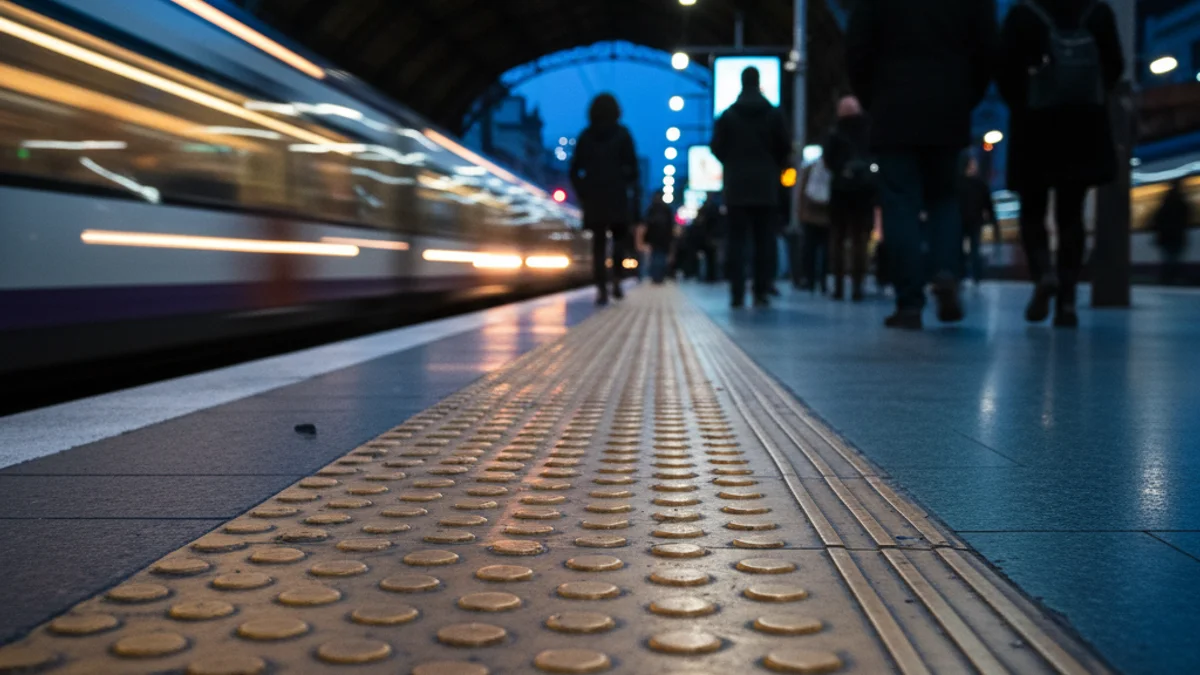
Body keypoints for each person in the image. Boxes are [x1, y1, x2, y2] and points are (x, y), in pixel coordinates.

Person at [847, 0, 996, 329]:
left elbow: (856, 51)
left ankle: (909, 302)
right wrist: (963, 99)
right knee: (944, 199)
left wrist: (875, 100)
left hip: (894, 110)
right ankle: (945, 271)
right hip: (947, 109)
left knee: (900, 205)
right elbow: (987, 50)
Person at [997, 0, 1124, 327]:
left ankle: (1043, 273)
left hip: (1034, 126)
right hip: (1083, 127)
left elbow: (1004, 72)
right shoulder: (1096, 12)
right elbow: (1115, 67)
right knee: (1072, 214)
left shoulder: (1023, 13)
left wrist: (1026, 101)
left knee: (1032, 209)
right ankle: (1067, 303)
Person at [711, 66, 792, 308]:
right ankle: (761, 291)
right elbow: (785, 147)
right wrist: (771, 165)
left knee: (736, 241)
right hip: (766, 186)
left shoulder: (728, 115)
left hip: (736, 186)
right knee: (764, 240)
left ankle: (736, 293)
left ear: (742, 82)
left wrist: (732, 163)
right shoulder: (773, 114)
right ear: (758, 82)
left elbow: (716, 147)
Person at [569, 93, 641, 306]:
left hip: (594, 198)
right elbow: (634, 168)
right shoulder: (623, 134)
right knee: (619, 240)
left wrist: (583, 192)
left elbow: (574, 170)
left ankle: (601, 289)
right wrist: (625, 181)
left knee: (598, 244)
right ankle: (617, 281)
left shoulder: (585, 136)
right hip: (617, 195)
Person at [823, 96, 876, 301]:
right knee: (860, 239)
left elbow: (828, 161)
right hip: (863, 192)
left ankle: (838, 286)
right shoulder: (868, 131)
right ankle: (857, 286)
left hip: (840, 191)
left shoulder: (834, 132)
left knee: (837, 238)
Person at [959, 155, 998, 284]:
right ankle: (977, 276)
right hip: (975, 221)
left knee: (958, 248)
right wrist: (992, 220)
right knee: (975, 248)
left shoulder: (958, 183)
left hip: (960, 220)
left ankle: (961, 275)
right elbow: (988, 204)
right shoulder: (980, 184)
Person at [798, 157, 832, 293]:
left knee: (809, 248)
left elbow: (801, 192)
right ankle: (823, 280)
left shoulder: (810, 168)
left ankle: (809, 279)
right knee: (825, 249)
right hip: (827, 215)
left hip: (810, 215)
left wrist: (800, 213)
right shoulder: (832, 168)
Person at [1153, 179, 1191, 285]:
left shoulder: (1165, 204)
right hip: (1176, 236)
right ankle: (1171, 277)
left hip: (1167, 237)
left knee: (1169, 258)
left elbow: (1157, 219)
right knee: (1173, 258)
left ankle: (1167, 278)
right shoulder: (1181, 202)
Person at [642, 190, 676, 284]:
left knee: (655, 256)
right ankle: (659, 276)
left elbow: (647, 224)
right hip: (664, 238)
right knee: (661, 257)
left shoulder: (651, 209)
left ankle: (655, 276)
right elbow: (670, 225)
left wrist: (646, 238)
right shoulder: (666, 209)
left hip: (655, 238)